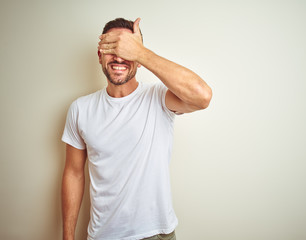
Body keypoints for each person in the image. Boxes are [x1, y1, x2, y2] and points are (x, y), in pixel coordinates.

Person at [61, 17, 212, 240]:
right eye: (111, 47)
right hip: (103, 235)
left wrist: (141, 52)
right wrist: (67, 236)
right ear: (100, 55)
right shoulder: (80, 109)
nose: (119, 56)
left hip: (155, 233)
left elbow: (203, 96)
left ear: (138, 58)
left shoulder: (159, 98)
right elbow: (73, 174)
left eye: (127, 49)